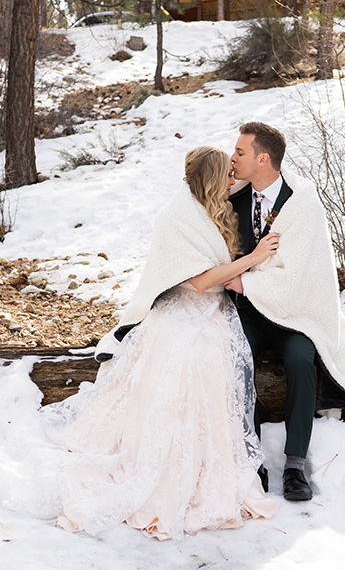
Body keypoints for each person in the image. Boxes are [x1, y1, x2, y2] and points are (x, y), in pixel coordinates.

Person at [6, 146, 279, 540]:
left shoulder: (213, 203)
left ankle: (206, 460)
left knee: (209, 355)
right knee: (180, 354)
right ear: (209, 180)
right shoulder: (176, 216)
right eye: (226, 175)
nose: (232, 181)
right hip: (185, 302)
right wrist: (252, 258)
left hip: (214, 308)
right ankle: (161, 464)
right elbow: (199, 281)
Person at [226, 122, 345, 502]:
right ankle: (251, 457)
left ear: (263, 158)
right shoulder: (234, 198)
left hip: (295, 313)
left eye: (240, 152)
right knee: (235, 355)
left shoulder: (302, 202)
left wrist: (248, 281)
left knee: (302, 359)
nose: (232, 158)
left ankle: (294, 464)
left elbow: (306, 272)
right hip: (250, 311)